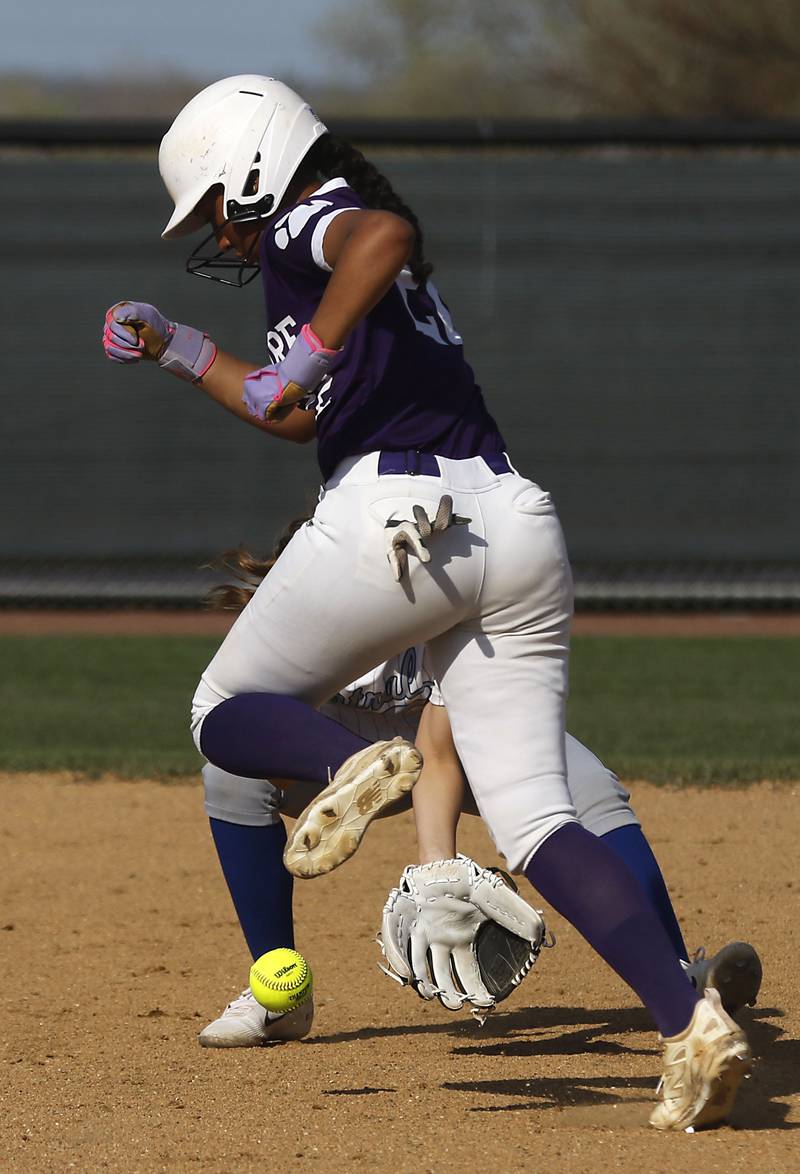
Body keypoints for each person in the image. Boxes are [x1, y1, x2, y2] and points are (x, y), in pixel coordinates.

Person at [103, 75, 753, 1131]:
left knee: (220, 708)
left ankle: (342, 762)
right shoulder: (317, 257)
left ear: (258, 167)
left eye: (218, 201)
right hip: (513, 517)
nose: (217, 232)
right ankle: (690, 1021)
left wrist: (307, 350)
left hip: (400, 513)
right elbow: (291, 411)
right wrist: (179, 346)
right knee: (538, 817)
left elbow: (382, 236)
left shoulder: (312, 217)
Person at [197, 536, 761, 1047]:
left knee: (590, 792)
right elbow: (254, 729)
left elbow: (440, 745)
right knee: (232, 772)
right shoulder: (297, 616)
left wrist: (434, 867)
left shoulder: (450, 587)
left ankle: (678, 972)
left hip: (460, 733)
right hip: (345, 751)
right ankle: (279, 992)